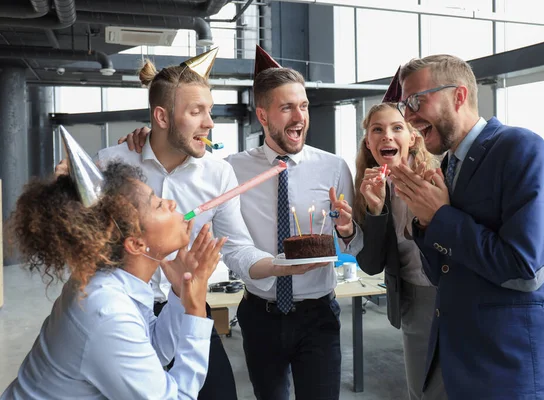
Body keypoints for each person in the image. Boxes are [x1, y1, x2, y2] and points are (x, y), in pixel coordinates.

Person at [121, 45, 358, 400]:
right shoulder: (227, 168)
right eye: (287, 107)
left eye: (304, 105)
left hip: (307, 311)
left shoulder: (329, 167)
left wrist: (339, 235)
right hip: (246, 313)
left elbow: (239, 247)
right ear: (263, 116)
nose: (210, 122)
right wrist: (139, 140)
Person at [391, 54, 544, 399]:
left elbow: (526, 269)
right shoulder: (448, 166)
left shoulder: (521, 148)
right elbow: (442, 274)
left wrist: (441, 217)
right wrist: (424, 220)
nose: (408, 115)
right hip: (459, 365)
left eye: (417, 100)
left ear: (459, 96)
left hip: (514, 372)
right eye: (404, 104)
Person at [98, 48, 275, 400]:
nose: (210, 122)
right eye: (196, 111)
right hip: (124, 314)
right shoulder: (111, 164)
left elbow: (236, 246)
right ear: (161, 117)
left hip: (188, 303)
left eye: (209, 110)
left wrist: (282, 267)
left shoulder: (218, 172)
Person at [1, 137, 226, 399]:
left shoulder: (113, 282)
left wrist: (179, 295)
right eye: (157, 203)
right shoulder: (106, 311)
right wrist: (196, 309)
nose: (171, 203)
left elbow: (152, 348)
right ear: (136, 243)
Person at [346, 91, 443, 399]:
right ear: (368, 142)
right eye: (377, 129)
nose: (387, 135)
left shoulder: (438, 176)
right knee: (422, 391)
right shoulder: (370, 187)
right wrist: (375, 211)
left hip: (454, 293)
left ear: (413, 137)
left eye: (396, 128)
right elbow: (372, 265)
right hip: (413, 298)